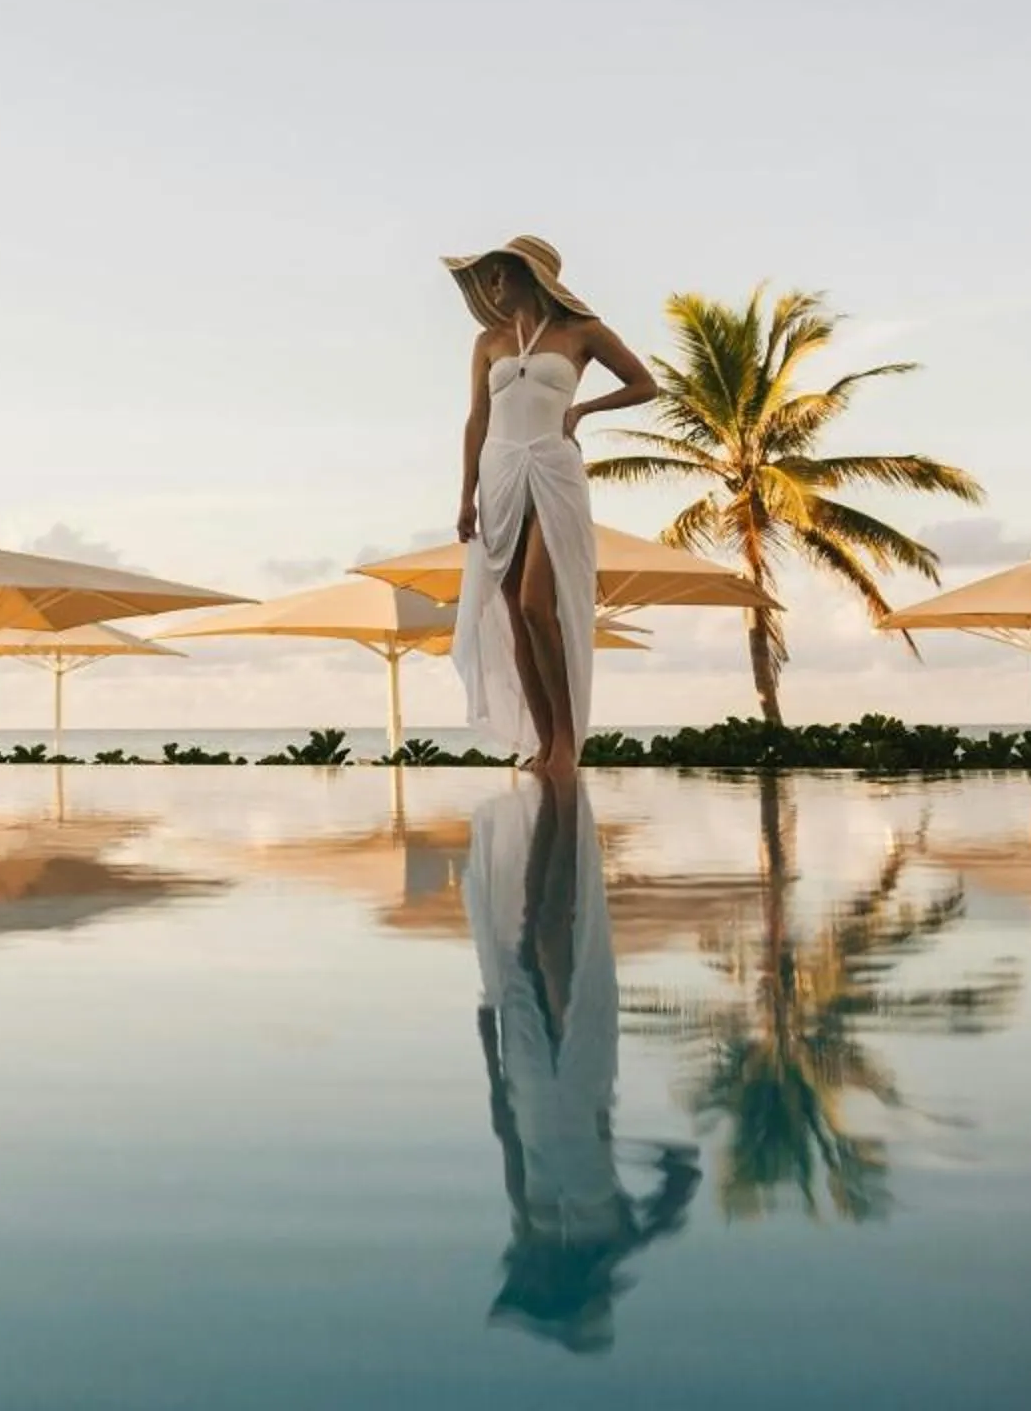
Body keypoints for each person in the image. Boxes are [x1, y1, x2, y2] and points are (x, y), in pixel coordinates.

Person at [466, 767, 698, 1352]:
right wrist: (618, 1145)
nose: (534, 1280)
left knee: (529, 945)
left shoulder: (536, 1231)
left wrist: (489, 1049)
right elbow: (684, 1171)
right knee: (553, 940)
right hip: (579, 1087)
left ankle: (556, 812)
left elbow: (507, 1141)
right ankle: (561, 810)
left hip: (531, 1086)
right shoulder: (620, 1236)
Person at [444, 236, 656, 773]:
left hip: (554, 467)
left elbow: (644, 385)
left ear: (530, 275)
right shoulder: (488, 341)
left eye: (501, 272)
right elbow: (477, 418)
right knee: (517, 613)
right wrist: (466, 495)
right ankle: (544, 744)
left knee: (538, 605)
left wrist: (583, 409)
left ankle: (565, 741)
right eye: (489, 276)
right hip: (498, 472)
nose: (494, 283)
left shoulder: (582, 332)